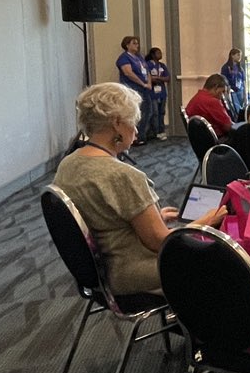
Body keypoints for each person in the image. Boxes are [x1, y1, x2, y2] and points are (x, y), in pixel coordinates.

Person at [52, 83, 226, 295]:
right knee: (227, 260)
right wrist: (206, 221)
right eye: (133, 122)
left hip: (99, 271)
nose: (135, 130)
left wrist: (149, 217)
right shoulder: (123, 176)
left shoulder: (68, 164)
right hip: (132, 271)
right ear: (117, 122)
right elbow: (162, 242)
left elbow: (102, 217)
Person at [115, 35, 153, 145]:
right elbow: (128, 73)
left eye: (137, 43)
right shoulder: (124, 58)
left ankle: (141, 136)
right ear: (127, 45)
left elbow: (147, 71)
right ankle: (134, 137)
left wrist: (149, 83)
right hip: (133, 89)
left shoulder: (139, 57)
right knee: (135, 113)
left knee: (147, 112)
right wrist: (142, 83)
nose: (137, 45)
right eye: (134, 43)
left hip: (145, 89)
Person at [185, 74, 234, 138]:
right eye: (222, 91)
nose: (222, 95)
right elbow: (228, 126)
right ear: (216, 87)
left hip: (201, 139)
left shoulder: (198, 96)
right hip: (217, 139)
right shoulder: (212, 101)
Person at [146, 47, 170, 141]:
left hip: (162, 92)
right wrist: (155, 78)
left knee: (162, 112)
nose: (160, 54)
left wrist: (158, 78)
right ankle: (155, 132)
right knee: (154, 113)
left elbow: (167, 78)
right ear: (152, 55)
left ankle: (161, 130)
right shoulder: (148, 64)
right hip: (152, 93)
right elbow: (148, 78)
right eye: (158, 53)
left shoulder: (162, 65)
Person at [221, 48, 246, 113]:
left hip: (240, 90)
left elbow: (243, 80)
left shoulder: (240, 68)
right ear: (232, 55)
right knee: (234, 109)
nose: (239, 57)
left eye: (240, 55)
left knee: (241, 109)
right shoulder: (225, 67)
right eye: (238, 55)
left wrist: (244, 93)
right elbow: (223, 80)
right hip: (231, 91)